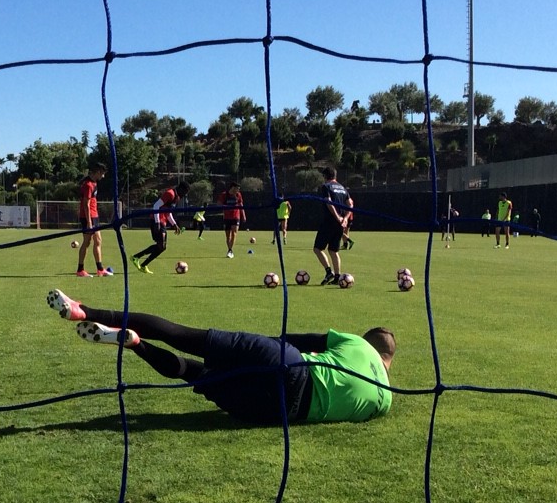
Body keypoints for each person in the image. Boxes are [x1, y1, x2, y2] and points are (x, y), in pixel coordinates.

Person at [46, 289, 394, 425]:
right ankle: (135, 344)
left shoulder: (357, 344)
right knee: (194, 374)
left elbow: (296, 338)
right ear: (388, 360)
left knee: (180, 334)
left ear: (369, 341)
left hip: (287, 362)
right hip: (285, 411)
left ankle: (83, 309)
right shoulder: (386, 400)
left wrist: (257, 349)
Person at [131, 182, 189, 273]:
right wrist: (157, 222)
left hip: (163, 222)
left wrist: (174, 224)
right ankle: (137, 259)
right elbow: (156, 206)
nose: (185, 195)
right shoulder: (170, 193)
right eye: (185, 192)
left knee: (162, 247)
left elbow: (168, 212)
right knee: (161, 246)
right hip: (157, 220)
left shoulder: (177, 197)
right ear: (181, 189)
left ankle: (141, 262)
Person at [314, 167, 351, 285]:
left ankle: (328, 271)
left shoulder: (326, 187)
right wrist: (345, 219)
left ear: (325, 176)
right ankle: (337, 277)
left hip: (329, 222)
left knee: (317, 249)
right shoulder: (343, 188)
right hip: (340, 224)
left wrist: (337, 217)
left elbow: (329, 202)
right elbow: (350, 204)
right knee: (333, 250)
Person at [75, 164, 111, 277]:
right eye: (103, 173)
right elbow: (86, 204)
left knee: (98, 241)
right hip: (88, 217)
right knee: (87, 242)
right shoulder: (88, 185)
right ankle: (80, 270)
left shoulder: (94, 183)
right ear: (98, 172)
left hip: (94, 216)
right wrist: (89, 222)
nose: (103, 176)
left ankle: (100, 269)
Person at [219, 180, 246, 258]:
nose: (238, 191)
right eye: (237, 189)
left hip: (236, 216)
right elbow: (219, 204)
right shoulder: (224, 195)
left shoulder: (238, 195)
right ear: (233, 188)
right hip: (227, 217)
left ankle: (230, 250)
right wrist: (225, 207)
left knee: (234, 233)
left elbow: (241, 205)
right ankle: (229, 249)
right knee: (228, 235)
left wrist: (243, 215)